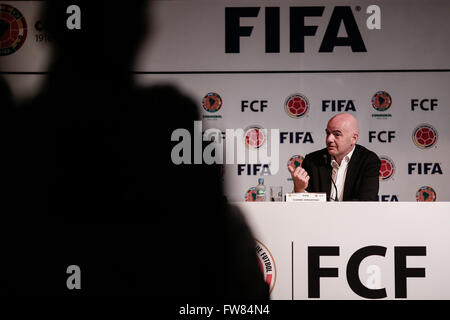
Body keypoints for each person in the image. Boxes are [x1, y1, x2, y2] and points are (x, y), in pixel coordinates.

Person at [2, 0, 269, 299]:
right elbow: (217, 257)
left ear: (48, 27)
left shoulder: (19, 132)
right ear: (141, 32)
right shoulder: (169, 121)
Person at [288, 113, 380, 201]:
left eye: (337, 134)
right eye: (328, 133)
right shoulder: (312, 161)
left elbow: (366, 201)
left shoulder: (368, 161)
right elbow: (303, 206)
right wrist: (299, 189)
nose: (329, 139)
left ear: (354, 139)